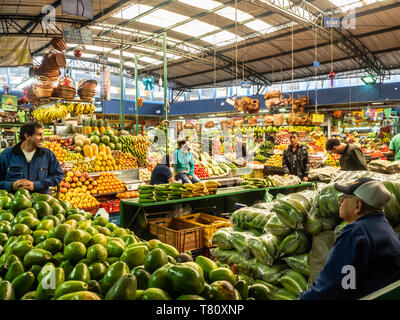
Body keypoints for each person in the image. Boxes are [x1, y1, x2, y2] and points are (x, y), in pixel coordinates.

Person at [299, 178, 400, 300]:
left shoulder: (356, 232)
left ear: (357, 205)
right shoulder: (383, 226)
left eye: (343, 198)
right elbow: (348, 282)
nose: (340, 203)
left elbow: (331, 286)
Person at [0, 121, 64, 194]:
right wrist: (11, 186)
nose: (42, 138)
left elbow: (58, 176)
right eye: (39, 135)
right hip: (15, 202)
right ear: (27, 136)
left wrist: (36, 185)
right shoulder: (6, 155)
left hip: (41, 202)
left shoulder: (48, 155)